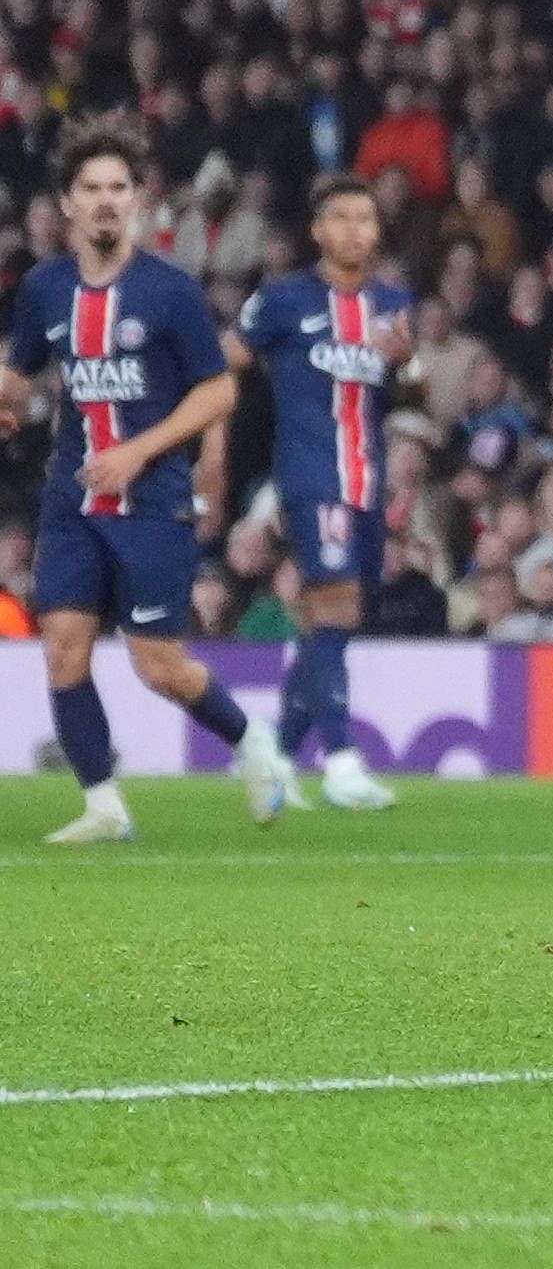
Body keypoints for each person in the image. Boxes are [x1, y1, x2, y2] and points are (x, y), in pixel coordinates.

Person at [4, 121, 296, 841]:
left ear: (136, 201)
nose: (106, 201)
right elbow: (20, 371)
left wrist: (140, 450)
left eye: (118, 188)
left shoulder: (168, 290)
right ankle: (103, 804)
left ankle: (251, 741)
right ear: (67, 204)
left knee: (157, 663)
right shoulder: (45, 287)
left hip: (152, 498)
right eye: (92, 189)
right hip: (72, 496)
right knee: (63, 643)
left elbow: (216, 391)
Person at [227, 172, 413, 811]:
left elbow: (396, 393)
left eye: (366, 219)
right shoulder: (282, 300)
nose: (355, 230)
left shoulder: (392, 303)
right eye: (341, 218)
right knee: (332, 606)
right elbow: (227, 360)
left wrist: (405, 365)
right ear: (317, 230)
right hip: (311, 476)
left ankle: (274, 754)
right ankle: (340, 762)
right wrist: (211, 448)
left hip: (368, 482)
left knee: (333, 624)